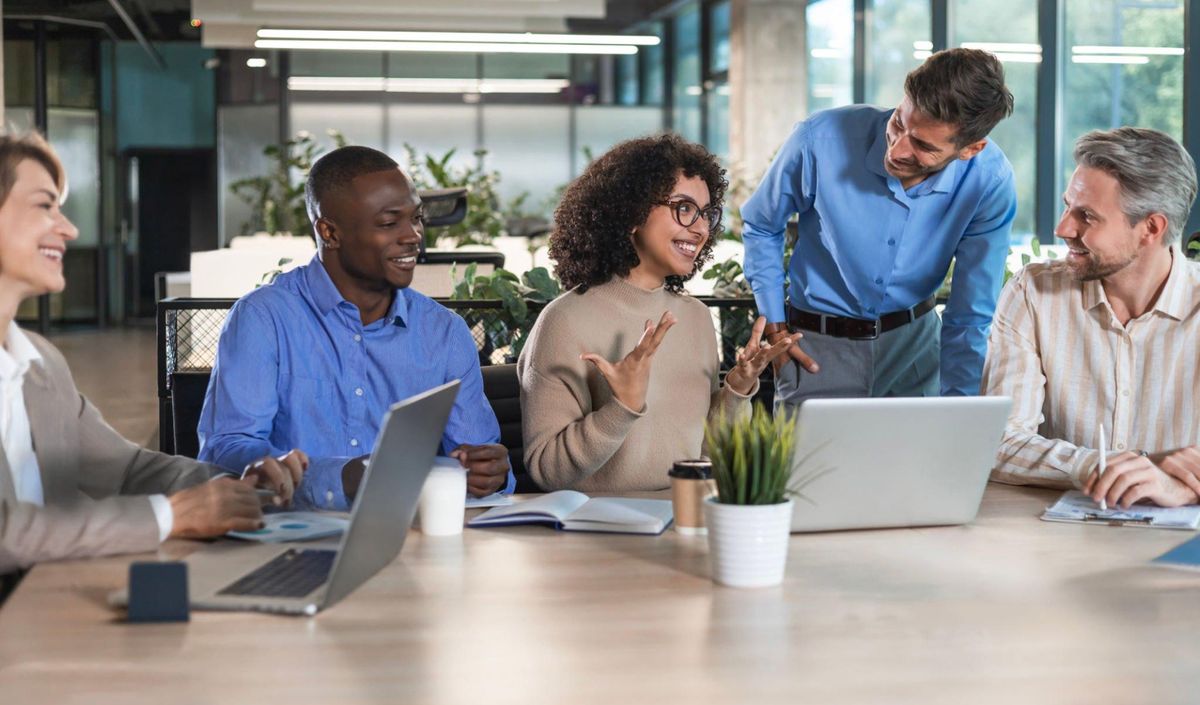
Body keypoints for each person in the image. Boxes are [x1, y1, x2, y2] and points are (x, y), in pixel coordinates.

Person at [0, 132, 304, 585]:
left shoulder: (40, 364)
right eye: (45, 205)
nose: (69, 229)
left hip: (48, 605)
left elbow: (126, 471)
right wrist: (170, 516)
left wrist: (234, 482)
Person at [198, 146, 513, 509]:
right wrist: (343, 477)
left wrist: (490, 473)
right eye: (389, 223)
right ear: (330, 232)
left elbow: (477, 460)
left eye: (416, 218)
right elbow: (226, 451)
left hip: (412, 532)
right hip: (292, 531)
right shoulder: (264, 318)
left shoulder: (444, 333)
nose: (413, 235)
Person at [519, 134, 798, 492]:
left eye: (706, 214)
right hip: (598, 523)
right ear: (631, 212)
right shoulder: (564, 321)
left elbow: (706, 458)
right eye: (684, 208)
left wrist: (738, 390)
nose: (700, 228)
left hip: (687, 514)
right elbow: (547, 470)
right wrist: (623, 406)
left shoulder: (696, 318)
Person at [741, 48, 1017, 408]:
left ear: (970, 149)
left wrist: (959, 410)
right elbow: (762, 225)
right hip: (815, 351)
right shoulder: (818, 139)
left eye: (922, 145)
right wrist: (775, 326)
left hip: (916, 354)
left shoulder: (989, 180)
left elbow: (971, 313)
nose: (897, 150)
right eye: (899, 123)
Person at [982, 127, 1200, 509]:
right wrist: (1098, 467)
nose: (1062, 228)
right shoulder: (1032, 293)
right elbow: (998, 440)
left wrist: (1181, 486)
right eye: (1068, 206)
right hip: (1053, 534)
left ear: (1151, 228)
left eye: (1086, 216)